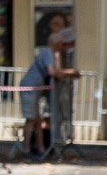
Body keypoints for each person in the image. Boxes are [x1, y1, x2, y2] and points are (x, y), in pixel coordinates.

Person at [20, 27, 79, 157]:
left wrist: (58, 58)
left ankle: (41, 148)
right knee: (31, 119)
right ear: (57, 44)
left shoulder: (51, 53)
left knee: (38, 119)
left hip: (36, 89)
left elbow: (57, 72)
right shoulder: (47, 52)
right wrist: (70, 72)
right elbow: (53, 72)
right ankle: (26, 148)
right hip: (30, 88)